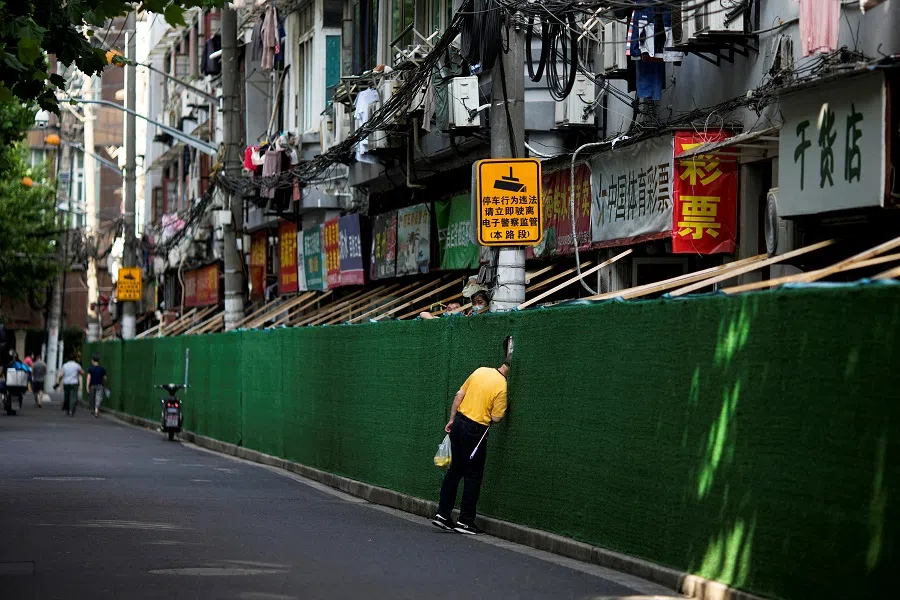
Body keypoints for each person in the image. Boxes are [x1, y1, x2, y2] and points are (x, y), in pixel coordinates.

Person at [432, 357, 509, 535]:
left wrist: (452, 420)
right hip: (476, 431)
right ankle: (465, 521)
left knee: (454, 471)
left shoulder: (480, 371)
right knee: (473, 475)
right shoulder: (502, 386)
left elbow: (459, 394)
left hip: (458, 423)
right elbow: (497, 418)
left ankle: (443, 514)